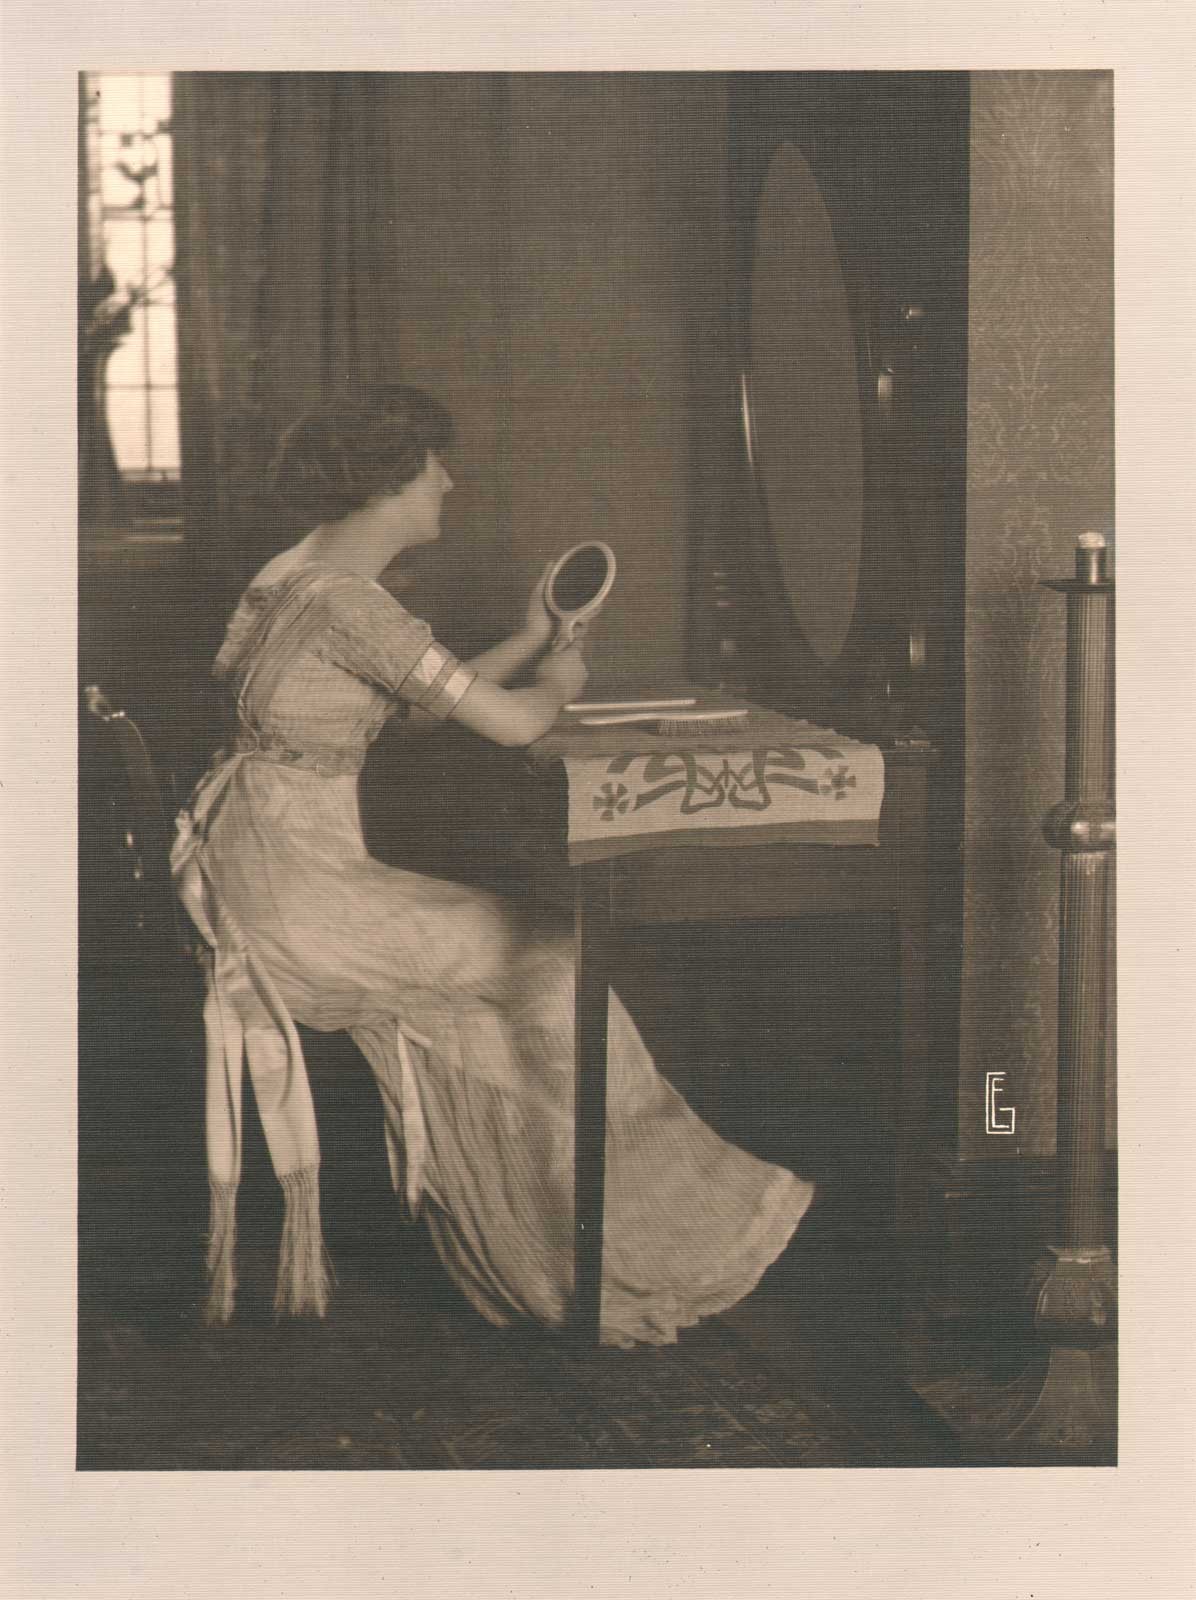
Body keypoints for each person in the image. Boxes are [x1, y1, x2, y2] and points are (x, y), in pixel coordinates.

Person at [171, 385, 814, 1349]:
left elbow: (409, 702)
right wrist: (559, 679)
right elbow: (510, 724)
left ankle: (548, 1244)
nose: (448, 481)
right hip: (298, 895)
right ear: (389, 481)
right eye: (433, 464)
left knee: (519, 976)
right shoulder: (355, 604)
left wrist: (529, 638)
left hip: (251, 863)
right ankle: (617, 1250)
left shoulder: (296, 573)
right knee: (556, 965)